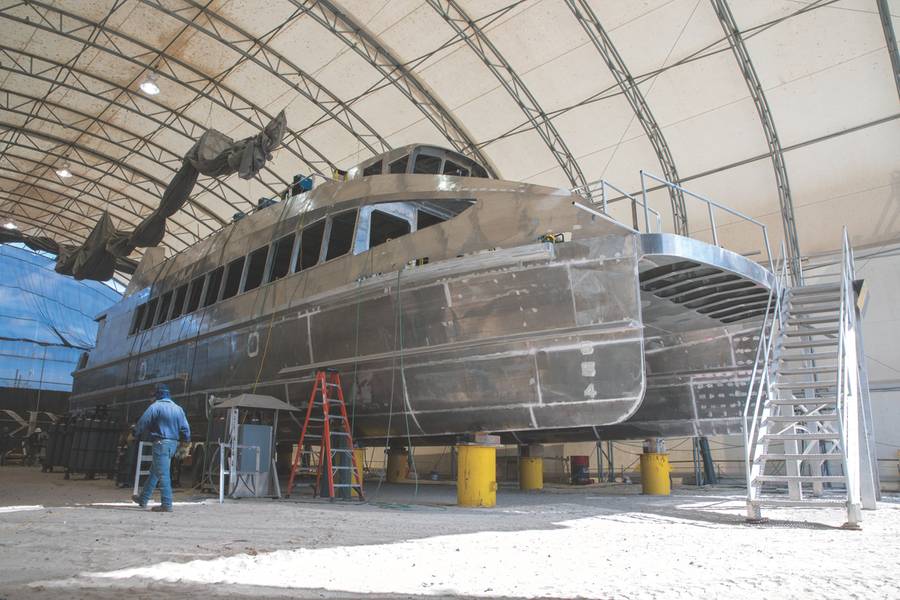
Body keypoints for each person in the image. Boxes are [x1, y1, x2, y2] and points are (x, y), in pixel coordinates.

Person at [132, 384, 190, 512]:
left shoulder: (156, 406)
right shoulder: (178, 409)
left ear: (158, 395)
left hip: (160, 443)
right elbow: (186, 428)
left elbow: (143, 421)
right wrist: (185, 442)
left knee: (163, 474)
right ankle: (143, 498)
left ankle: (167, 504)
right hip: (173, 444)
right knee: (155, 472)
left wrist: (134, 432)